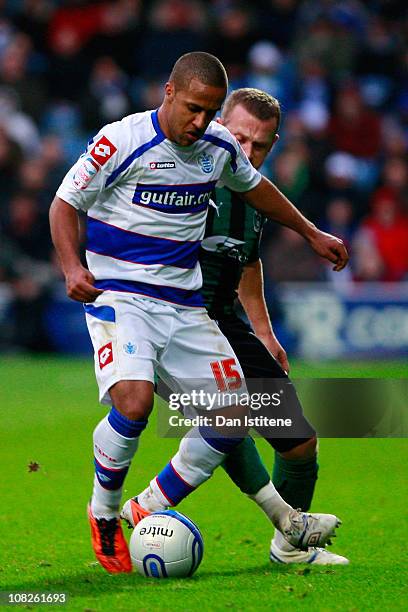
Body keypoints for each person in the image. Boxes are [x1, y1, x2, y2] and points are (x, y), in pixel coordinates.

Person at [49, 52, 348, 573]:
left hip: (186, 306)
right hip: (122, 294)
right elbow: (64, 202)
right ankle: (104, 513)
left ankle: (151, 505)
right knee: (136, 402)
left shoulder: (220, 149)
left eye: (209, 113)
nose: (199, 122)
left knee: (236, 416)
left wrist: (310, 232)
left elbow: (255, 199)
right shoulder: (121, 140)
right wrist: (72, 266)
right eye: (193, 109)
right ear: (168, 91)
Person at [122, 88, 348, 565]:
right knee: (227, 419)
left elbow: (245, 260)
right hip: (171, 323)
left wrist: (264, 332)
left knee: (300, 442)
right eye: (238, 137)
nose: (245, 152)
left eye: (259, 145)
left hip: (226, 320)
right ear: (218, 123)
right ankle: (149, 506)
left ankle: (289, 548)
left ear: (273, 145)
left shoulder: (252, 195)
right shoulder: (182, 176)